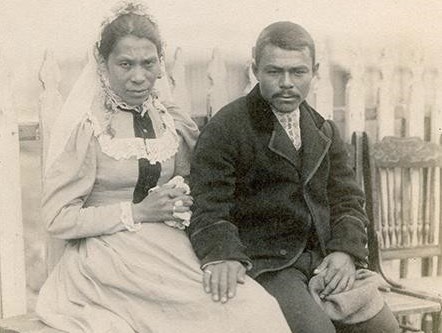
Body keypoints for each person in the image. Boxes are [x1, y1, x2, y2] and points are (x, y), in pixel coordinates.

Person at [36, 3, 291, 333]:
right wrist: (136, 212)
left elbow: (197, 180)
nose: (138, 76)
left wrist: (182, 195)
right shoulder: (90, 129)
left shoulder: (171, 121)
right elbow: (57, 218)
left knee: (255, 307)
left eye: (148, 63)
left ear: (160, 62)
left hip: (170, 249)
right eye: (125, 64)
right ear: (102, 63)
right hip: (107, 260)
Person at [189, 21, 400, 333]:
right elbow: (208, 205)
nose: (286, 83)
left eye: (298, 72)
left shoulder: (322, 129)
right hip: (269, 264)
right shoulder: (227, 129)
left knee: (383, 328)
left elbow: (349, 199)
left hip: (324, 259)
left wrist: (344, 252)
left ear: (313, 72)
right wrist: (224, 255)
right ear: (255, 69)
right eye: (274, 72)